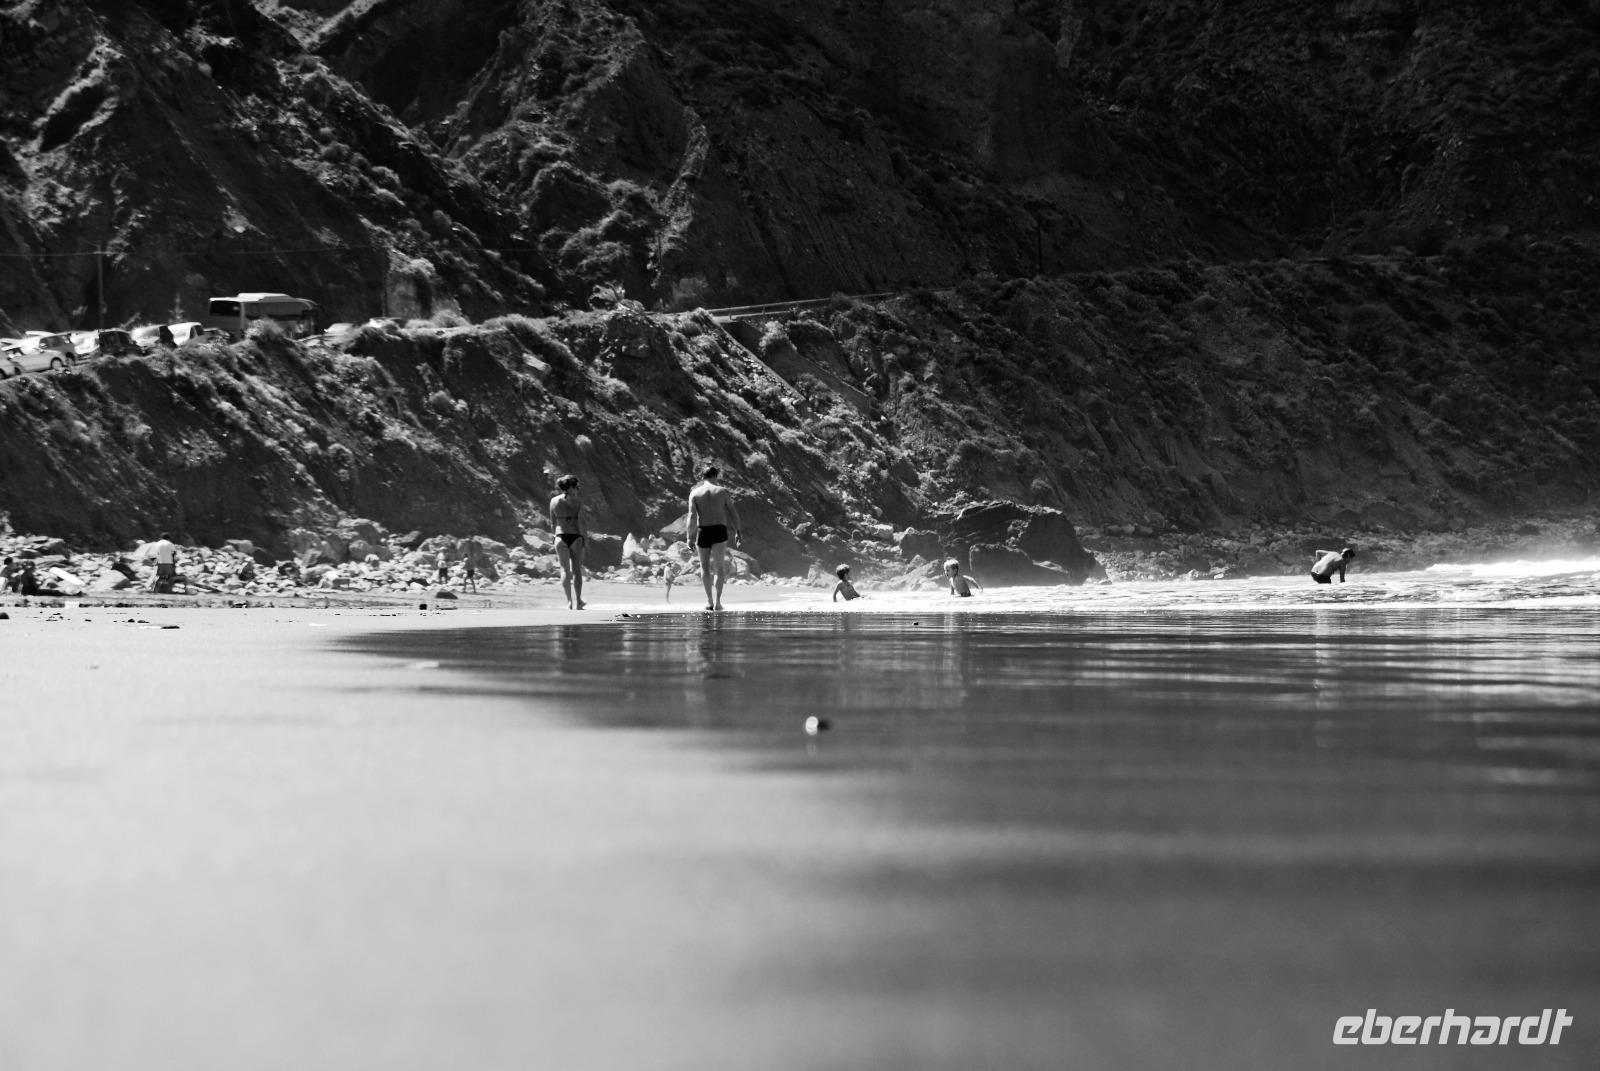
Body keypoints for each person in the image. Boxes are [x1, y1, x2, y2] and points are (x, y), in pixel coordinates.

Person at [686, 465, 742, 611]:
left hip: (703, 530)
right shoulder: (723, 492)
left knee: (704, 567)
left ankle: (709, 601)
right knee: (719, 567)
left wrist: (689, 537)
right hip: (719, 530)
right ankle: (718, 603)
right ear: (716, 476)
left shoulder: (695, 493)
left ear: (702, 477)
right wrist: (738, 531)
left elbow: (691, 516)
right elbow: (733, 513)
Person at [550, 474, 587, 609]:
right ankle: (579, 602)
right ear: (571, 487)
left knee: (564, 570)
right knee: (577, 571)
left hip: (560, 537)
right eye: (577, 486)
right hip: (576, 537)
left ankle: (569, 602)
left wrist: (553, 537)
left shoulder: (554, 501)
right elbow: (582, 523)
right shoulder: (578, 502)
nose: (578, 489)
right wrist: (585, 539)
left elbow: (552, 522)